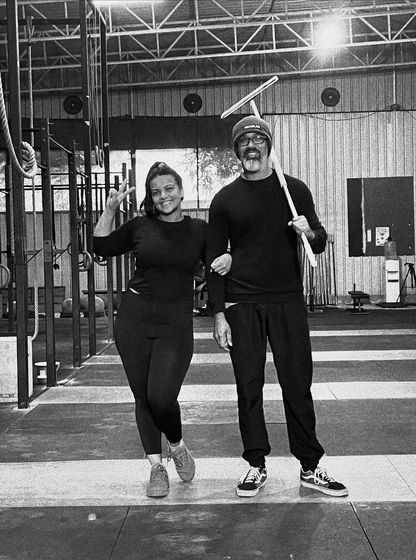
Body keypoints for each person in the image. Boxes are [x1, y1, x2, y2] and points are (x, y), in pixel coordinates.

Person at [206, 116, 348, 498]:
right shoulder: (224, 200)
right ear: (237, 150)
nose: (251, 146)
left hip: (287, 300)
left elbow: (319, 241)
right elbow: (214, 260)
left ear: (269, 146)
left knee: (297, 384)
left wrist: (307, 231)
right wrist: (218, 314)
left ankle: (310, 466)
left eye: (258, 139)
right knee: (248, 386)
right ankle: (256, 464)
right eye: (244, 141)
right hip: (241, 304)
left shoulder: (293, 190)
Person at [93, 162, 231, 498]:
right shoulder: (140, 226)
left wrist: (220, 313)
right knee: (143, 397)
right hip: (134, 318)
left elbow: (216, 273)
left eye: (169, 189)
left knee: (161, 397)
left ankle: (177, 445)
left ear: (181, 192)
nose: (163, 196)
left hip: (175, 322)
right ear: (151, 198)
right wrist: (109, 211)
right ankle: (156, 467)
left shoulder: (200, 230)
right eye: (156, 192)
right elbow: (101, 247)